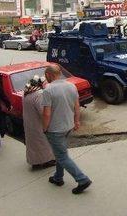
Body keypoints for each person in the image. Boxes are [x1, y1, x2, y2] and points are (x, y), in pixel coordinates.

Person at [42, 65, 92, 194]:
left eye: (45, 75)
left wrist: (44, 128)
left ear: (49, 75)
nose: (45, 77)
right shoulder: (71, 86)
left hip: (55, 129)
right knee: (60, 153)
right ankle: (58, 177)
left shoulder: (48, 90)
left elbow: (46, 114)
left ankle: (82, 179)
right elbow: (77, 106)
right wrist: (76, 121)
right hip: (68, 126)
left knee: (62, 156)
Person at [22, 75, 56, 170]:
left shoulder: (26, 93)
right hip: (38, 124)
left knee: (33, 144)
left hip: (29, 123)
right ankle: (47, 161)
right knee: (43, 143)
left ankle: (35, 162)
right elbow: (43, 112)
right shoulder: (39, 94)